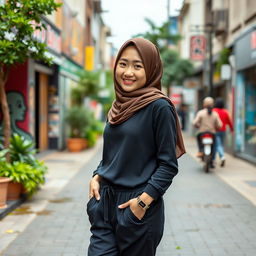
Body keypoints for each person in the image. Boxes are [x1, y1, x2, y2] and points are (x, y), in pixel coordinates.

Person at [87, 38, 185, 256]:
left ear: (150, 69)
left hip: (136, 206)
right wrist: (97, 175)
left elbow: (168, 165)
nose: (128, 72)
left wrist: (142, 202)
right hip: (105, 202)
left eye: (137, 66)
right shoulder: (118, 105)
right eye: (123, 64)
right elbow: (113, 154)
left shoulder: (159, 107)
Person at [193, 97, 222, 165]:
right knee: (214, 146)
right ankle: (212, 159)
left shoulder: (200, 113)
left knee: (198, 138)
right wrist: (217, 128)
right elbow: (220, 125)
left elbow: (194, 123)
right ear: (212, 104)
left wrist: (197, 126)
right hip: (212, 133)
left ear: (204, 104)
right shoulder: (215, 114)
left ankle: (200, 151)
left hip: (202, 133)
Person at [213, 97, 233, 167]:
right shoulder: (225, 112)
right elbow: (229, 122)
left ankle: (221, 157)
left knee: (216, 145)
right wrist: (231, 129)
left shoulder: (213, 111)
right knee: (220, 144)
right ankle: (216, 158)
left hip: (215, 130)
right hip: (223, 131)